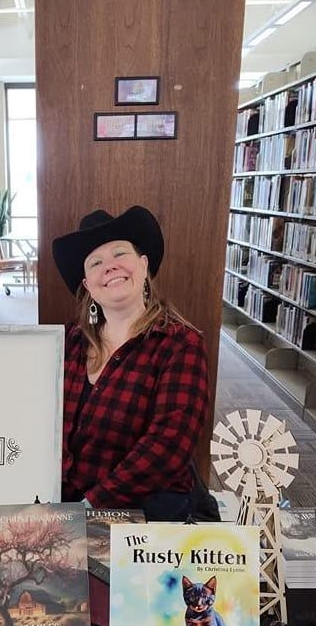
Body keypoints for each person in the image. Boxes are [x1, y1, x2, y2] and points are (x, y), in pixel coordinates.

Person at [51, 205, 220, 521]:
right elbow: (47, 424)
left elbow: (168, 446)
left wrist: (91, 506)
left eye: (120, 254)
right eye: (96, 262)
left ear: (144, 266)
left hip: (143, 519)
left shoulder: (180, 344)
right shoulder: (70, 341)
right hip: (69, 507)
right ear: (87, 284)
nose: (110, 267)